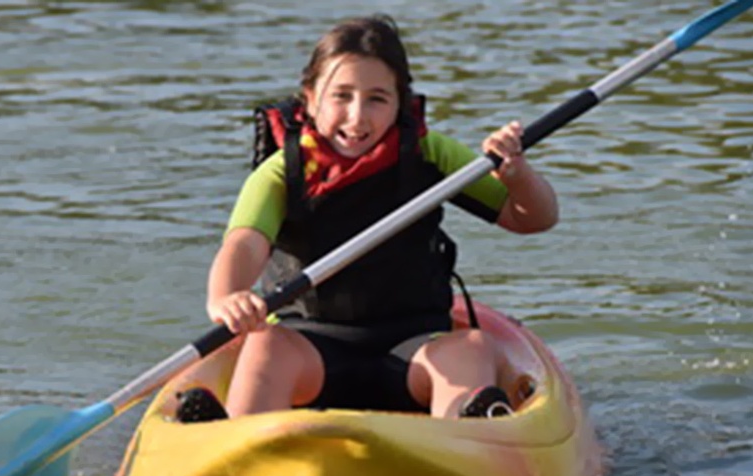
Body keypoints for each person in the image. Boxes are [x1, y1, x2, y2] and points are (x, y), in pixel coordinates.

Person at [177, 14, 558, 423]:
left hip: (415, 347)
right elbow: (244, 243)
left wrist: (518, 176)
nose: (357, 118)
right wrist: (226, 296)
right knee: (265, 346)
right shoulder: (281, 173)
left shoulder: (430, 154)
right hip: (309, 346)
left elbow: (532, 219)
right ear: (309, 98)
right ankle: (236, 441)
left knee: (470, 348)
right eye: (341, 96)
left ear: (400, 103)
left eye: (377, 98)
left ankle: (465, 440)